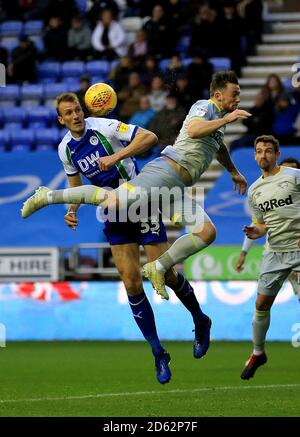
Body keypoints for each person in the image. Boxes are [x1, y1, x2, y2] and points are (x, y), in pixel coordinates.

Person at [22, 70, 250, 329]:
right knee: (112, 205)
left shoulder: (216, 121)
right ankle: (47, 196)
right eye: (236, 94)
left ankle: (159, 268)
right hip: (164, 172)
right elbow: (196, 129)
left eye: (78, 110)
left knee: (207, 232)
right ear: (219, 95)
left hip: (173, 186)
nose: (239, 99)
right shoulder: (204, 107)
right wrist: (71, 207)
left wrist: (233, 171)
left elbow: (216, 146)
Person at [23, 92, 215, 385]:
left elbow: (149, 138)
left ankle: (200, 319)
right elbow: (75, 181)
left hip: (140, 198)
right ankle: (158, 352)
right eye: (69, 113)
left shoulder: (105, 126)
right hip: (112, 211)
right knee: (131, 281)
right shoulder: (65, 149)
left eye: (77, 110)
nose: (76, 116)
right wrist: (72, 209)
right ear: (61, 119)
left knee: (164, 272)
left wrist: (116, 156)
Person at [239, 135, 300, 380]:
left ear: (276, 154)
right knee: (261, 305)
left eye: (268, 151)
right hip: (274, 252)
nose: (263, 155)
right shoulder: (254, 190)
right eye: (259, 151)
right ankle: (258, 353)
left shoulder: (294, 176)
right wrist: (256, 231)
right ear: (254, 156)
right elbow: (261, 224)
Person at [236, 156, 300, 302]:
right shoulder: (263, 193)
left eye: (294, 170)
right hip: (277, 252)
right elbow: (257, 226)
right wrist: (243, 254)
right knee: (262, 304)